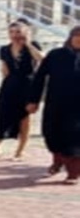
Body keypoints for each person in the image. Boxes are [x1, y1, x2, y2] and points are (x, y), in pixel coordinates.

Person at [27, 25, 80, 185]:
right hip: (56, 104)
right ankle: (58, 161)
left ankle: (73, 173)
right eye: (77, 35)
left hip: (77, 107)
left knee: (74, 138)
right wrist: (33, 100)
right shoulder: (55, 55)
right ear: (71, 37)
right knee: (52, 134)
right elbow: (39, 77)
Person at [0, 21, 43, 162]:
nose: (15, 35)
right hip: (10, 85)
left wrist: (28, 44)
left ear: (25, 32)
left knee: (24, 118)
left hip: (28, 85)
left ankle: (20, 151)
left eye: (18, 32)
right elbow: (4, 69)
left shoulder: (33, 46)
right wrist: (6, 83)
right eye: (11, 32)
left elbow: (42, 59)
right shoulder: (4, 50)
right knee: (1, 116)